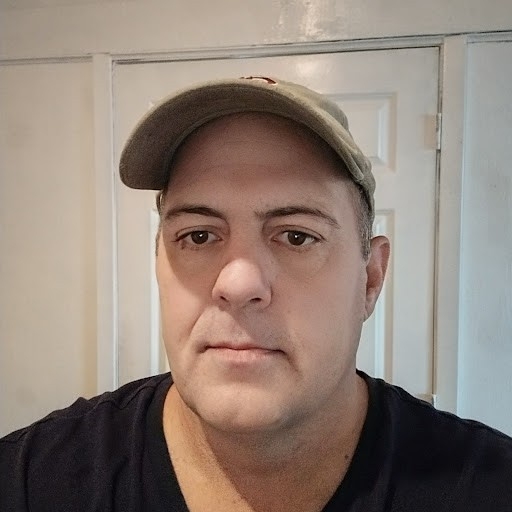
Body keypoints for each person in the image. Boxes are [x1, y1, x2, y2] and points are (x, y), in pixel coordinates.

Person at [1, 76, 511, 512]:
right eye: (199, 235)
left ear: (371, 278)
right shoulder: (30, 482)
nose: (237, 283)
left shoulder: (487, 488)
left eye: (297, 236)